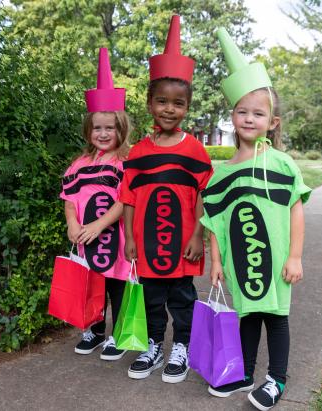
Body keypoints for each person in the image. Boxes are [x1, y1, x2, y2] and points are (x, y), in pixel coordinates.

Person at [200, 28, 311, 410]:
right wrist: (216, 262)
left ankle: (276, 379)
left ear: (273, 122)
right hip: (242, 262)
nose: (249, 118)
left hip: (278, 260)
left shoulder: (281, 165)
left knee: (275, 318)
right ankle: (243, 372)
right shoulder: (222, 173)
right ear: (232, 116)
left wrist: (295, 256)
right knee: (247, 315)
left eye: (258, 113)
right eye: (242, 111)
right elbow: (215, 220)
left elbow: (296, 209)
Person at [119, 15, 213, 384]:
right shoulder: (139, 152)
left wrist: (197, 236)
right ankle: (154, 344)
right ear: (149, 103)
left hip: (183, 244)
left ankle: (182, 347)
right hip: (147, 244)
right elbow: (128, 197)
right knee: (152, 298)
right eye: (162, 101)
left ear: (187, 107)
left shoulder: (196, 151)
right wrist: (128, 237)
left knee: (182, 298)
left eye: (178, 103)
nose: (169, 109)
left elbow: (204, 193)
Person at [60, 48, 132, 361]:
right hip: (87, 240)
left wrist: (101, 224)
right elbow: (70, 199)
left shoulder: (125, 163)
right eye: (97, 128)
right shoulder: (78, 165)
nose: (103, 134)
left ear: (121, 129)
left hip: (115, 238)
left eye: (109, 127)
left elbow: (125, 199)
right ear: (89, 130)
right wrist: (73, 224)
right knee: (93, 283)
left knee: (117, 284)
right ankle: (95, 330)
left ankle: (119, 334)